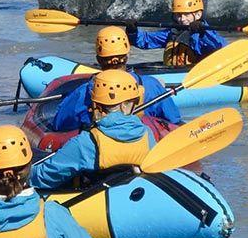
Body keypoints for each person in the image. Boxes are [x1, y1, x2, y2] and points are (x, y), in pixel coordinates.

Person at [31, 70, 161, 192]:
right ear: (132, 104)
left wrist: (21, 174)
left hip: (97, 207)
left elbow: (45, 177)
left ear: (95, 105)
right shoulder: (147, 134)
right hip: (133, 197)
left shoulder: (85, 142)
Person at [51, 26, 181, 132]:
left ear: (98, 59)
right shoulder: (151, 85)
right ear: (127, 55)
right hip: (142, 148)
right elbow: (174, 120)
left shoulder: (84, 93)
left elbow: (59, 125)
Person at [127, 0, 226, 67]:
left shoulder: (204, 33)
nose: (182, 19)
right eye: (178, 15)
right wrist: (133, 31)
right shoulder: (173, 32)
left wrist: (203, 33)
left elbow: (220, 46)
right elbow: (146, 40)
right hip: (174, 72)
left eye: (186, 14)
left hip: (194, 75)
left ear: (198, 14)